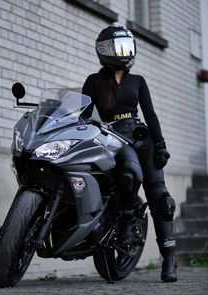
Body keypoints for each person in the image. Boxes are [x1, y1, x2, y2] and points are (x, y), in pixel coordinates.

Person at [82, 24, 177, 282]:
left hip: (141, 137)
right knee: (128, 176)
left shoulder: (138, 81)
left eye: (126, 47)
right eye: (117, 48)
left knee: (162, 199)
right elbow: (83, 115)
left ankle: (169, 260)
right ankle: (124, 220)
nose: (123, 53)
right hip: (113, 139)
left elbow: (150, 114)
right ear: (104, 51)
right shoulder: (94, 81)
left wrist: (160, 144)